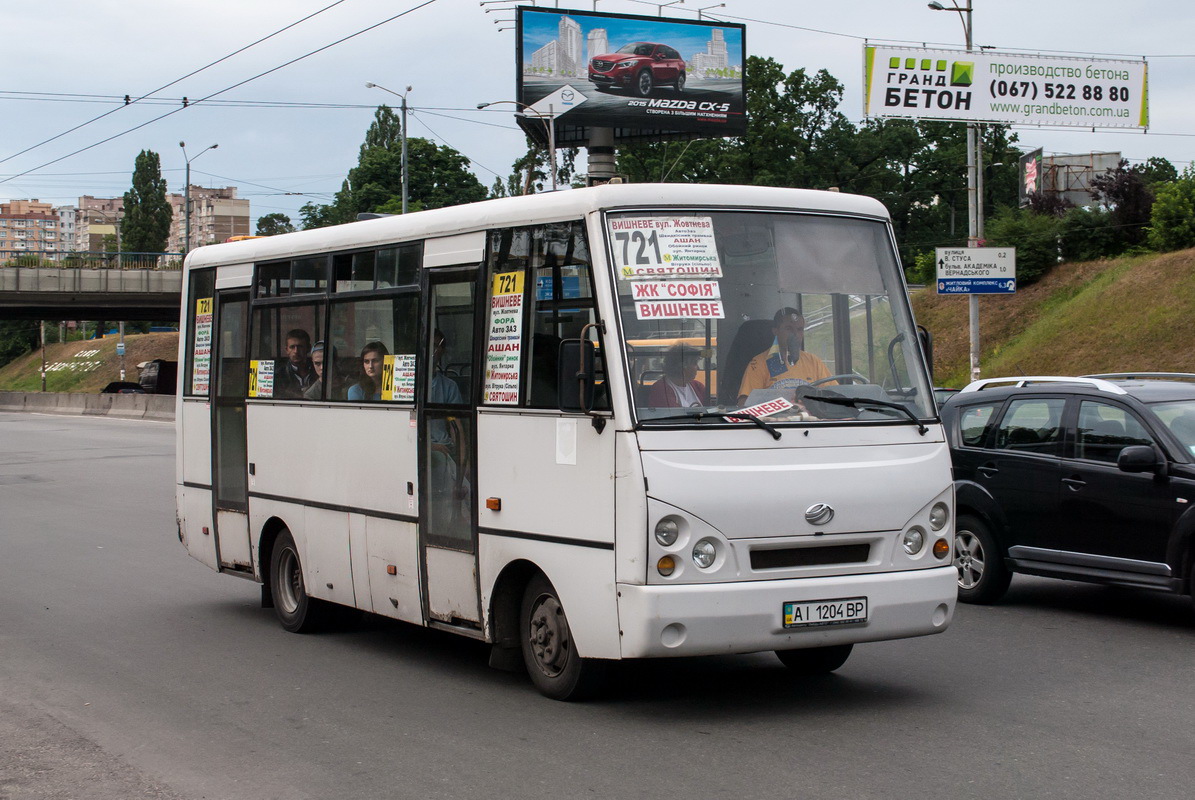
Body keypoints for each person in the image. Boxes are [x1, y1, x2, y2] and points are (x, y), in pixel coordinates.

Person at [736, 307, 832, 405]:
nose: (795, 334)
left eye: (799, 329)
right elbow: (744, 403)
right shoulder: (758, 363)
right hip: (774, 419)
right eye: (789, 328)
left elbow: (833, 396)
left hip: (809, 419)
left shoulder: (814, 362)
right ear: (775, 331)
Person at [648, 343, 707, 408]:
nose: (698, 368)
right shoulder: (661, 388)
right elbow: (673, 414)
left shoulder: (697, 386)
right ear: (682, 366)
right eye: (695, 363)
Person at [275, 328, 317, 399]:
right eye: (292, 347)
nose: (296, 351)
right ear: (287, 350)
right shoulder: (279, 376)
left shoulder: (318, 371)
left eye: (300, 347)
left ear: (308, 348)